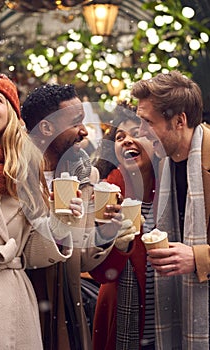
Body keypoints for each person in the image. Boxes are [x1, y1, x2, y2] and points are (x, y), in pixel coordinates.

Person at [0, 73, 83, 349]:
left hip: (15, 303)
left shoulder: (24, 173)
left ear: (11, 115)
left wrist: (61, 221)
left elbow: (32, 253)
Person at [21, 83, 130, 350]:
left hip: (67, 307)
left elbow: (81, 258)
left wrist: (107, 231)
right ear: (46, 128)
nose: (84, 132)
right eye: (76, 123)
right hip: (24, 298)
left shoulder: (86, 175)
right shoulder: (13, 173)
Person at [131, 70, 210, 350]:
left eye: (147, 122)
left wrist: (198, 258)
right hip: (177, 313)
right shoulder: (162, 164)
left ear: (179, 121)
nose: (139, 132)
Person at [90, 101, 160, 350]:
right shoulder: (105, 193)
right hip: (120, 311)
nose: (127, 140)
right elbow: (99, 271)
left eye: (137, 133)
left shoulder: (172, 187)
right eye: (120, 136)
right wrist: (115, 240)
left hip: (167, 308)